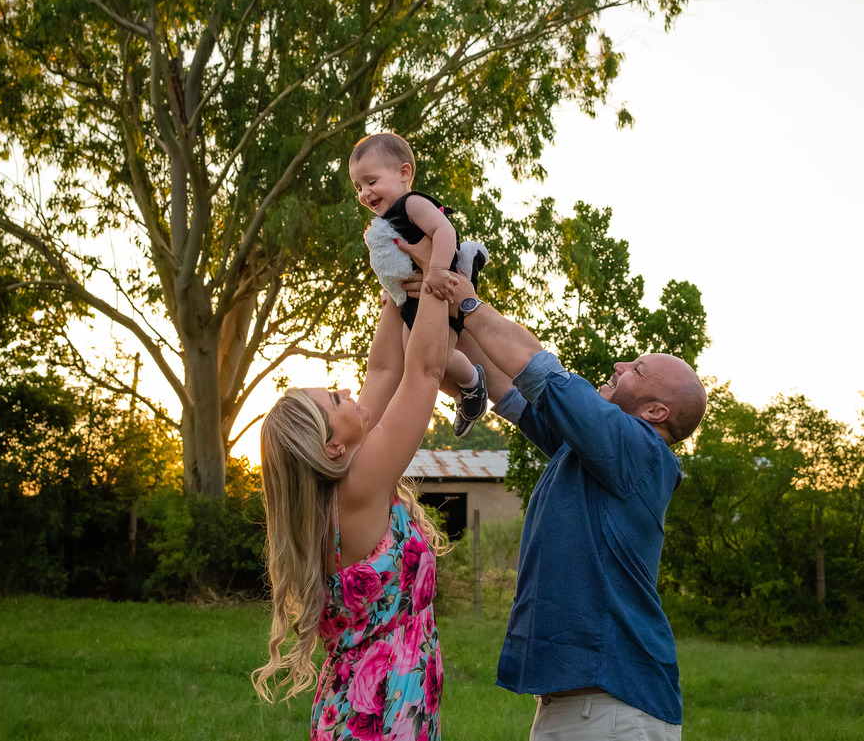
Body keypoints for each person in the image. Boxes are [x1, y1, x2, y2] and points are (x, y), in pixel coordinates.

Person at [440, 267, 708, 740]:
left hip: (610, 706)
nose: (621, 366)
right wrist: (454, 310)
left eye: (637, 369)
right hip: (589, 705)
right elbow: (508, 385)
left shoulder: (640, 452)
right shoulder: (592, 452)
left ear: (656, 412)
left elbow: (540, 370)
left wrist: (469, 304)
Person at [251, 260, 459, 741]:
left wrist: (393, 281)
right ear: (331, 448)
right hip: (382, 712)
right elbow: (423, 371)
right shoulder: (360, 485)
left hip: (359, 706)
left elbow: (385, 368)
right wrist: (434, 275)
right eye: (335, 400)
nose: (347, 391)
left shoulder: (331, 493)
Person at [350, 131, 488, 438]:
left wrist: (437, 270)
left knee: (430, 359)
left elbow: (444, 231)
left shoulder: (411, 203)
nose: (364, 192)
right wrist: (391, 290)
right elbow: (397, 258)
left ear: (404, 173)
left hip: (440, 290)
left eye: (371, 182)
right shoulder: (389, 219)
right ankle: (464, 391)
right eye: (358, 187)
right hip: (416, 297)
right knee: (415, 360)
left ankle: (472, 383)